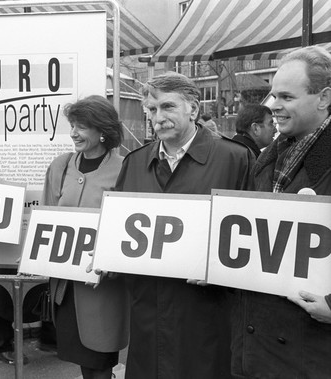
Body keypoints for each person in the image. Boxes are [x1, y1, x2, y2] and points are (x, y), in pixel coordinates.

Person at [115, 72, 254, 379]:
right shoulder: (135, 163)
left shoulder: (236, 159)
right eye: (151, 110)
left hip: (206, 316)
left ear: (192, 109)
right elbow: (119, 233)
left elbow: (251, 243)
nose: (158, 117)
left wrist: (222, 272)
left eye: (167, 107)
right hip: (148, 315)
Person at [231, 45, 331, 378]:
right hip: (257, 343)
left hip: (311, 349)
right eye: (273, 95)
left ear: (324, 97)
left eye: (286, 97)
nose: (273, 105)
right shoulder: (268, 158)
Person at [42, 95, 129, 379]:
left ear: (103, 130)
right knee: (83, 361)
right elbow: (47, 217)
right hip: (66, 287)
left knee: (100, 362)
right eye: (73, 125)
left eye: (82, 127)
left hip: (103, 287)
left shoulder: (126, 168)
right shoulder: (61, 165)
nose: (74, 133)